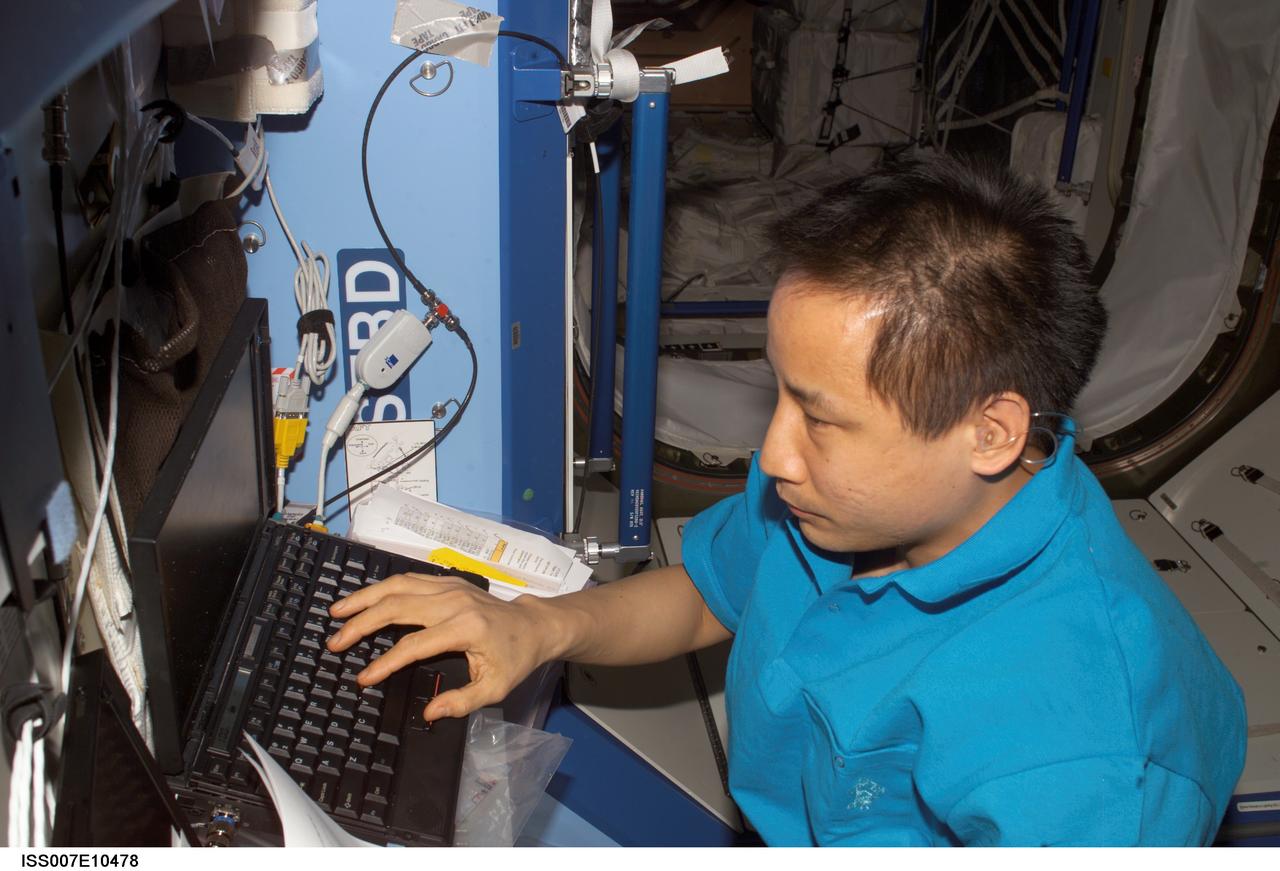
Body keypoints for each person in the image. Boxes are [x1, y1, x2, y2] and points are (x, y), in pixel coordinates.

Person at [327, 156, 1247, 846]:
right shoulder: (851, 496)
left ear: (992, 433)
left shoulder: (1086, 761)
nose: (771, 456)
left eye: (820, 417)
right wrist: (537, 627)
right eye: (781, 393)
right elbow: (707, 591)